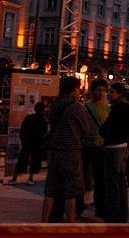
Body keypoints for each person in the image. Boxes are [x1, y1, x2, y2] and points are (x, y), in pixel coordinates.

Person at [42, 76, 91, 223]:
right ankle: (70, 223)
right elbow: (86, 128)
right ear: (74, 89)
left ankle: (43, 222)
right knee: (71, 191)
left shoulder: (54, 105)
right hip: (71, 151)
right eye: (78, 87)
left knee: (51, 190)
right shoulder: (76, 107)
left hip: (54, 151)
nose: (79, 90)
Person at [98, 82, 129, 223]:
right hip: (123, 147)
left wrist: (104, 132)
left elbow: (106, 127)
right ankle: (122, 215)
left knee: (112, 184)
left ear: (119, 93)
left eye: (111, 92)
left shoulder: (118, 108)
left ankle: (113, 216)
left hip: (114, 148)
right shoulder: (127, 107)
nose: (108, 94)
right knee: (121, 183)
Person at [81, 78, 110, 217]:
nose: (102, 92)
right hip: (86, 146)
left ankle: (101, 207)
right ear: (92, 91)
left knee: (100, 180)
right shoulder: (84, 107)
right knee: (82, 178)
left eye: (104, 90)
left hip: (101, 147)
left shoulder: (107, 108)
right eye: (99, 90)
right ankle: (78, 206)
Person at [8, 102, 47, 186]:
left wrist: (23, 140)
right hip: (37, 143)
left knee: (22, 159)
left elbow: (22, 130)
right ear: (43, 110)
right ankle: (30, 178)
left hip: (27, 142)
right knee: (34, 160)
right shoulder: (42, 120)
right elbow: (45, 132)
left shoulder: (29, 118)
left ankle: (15, 177)